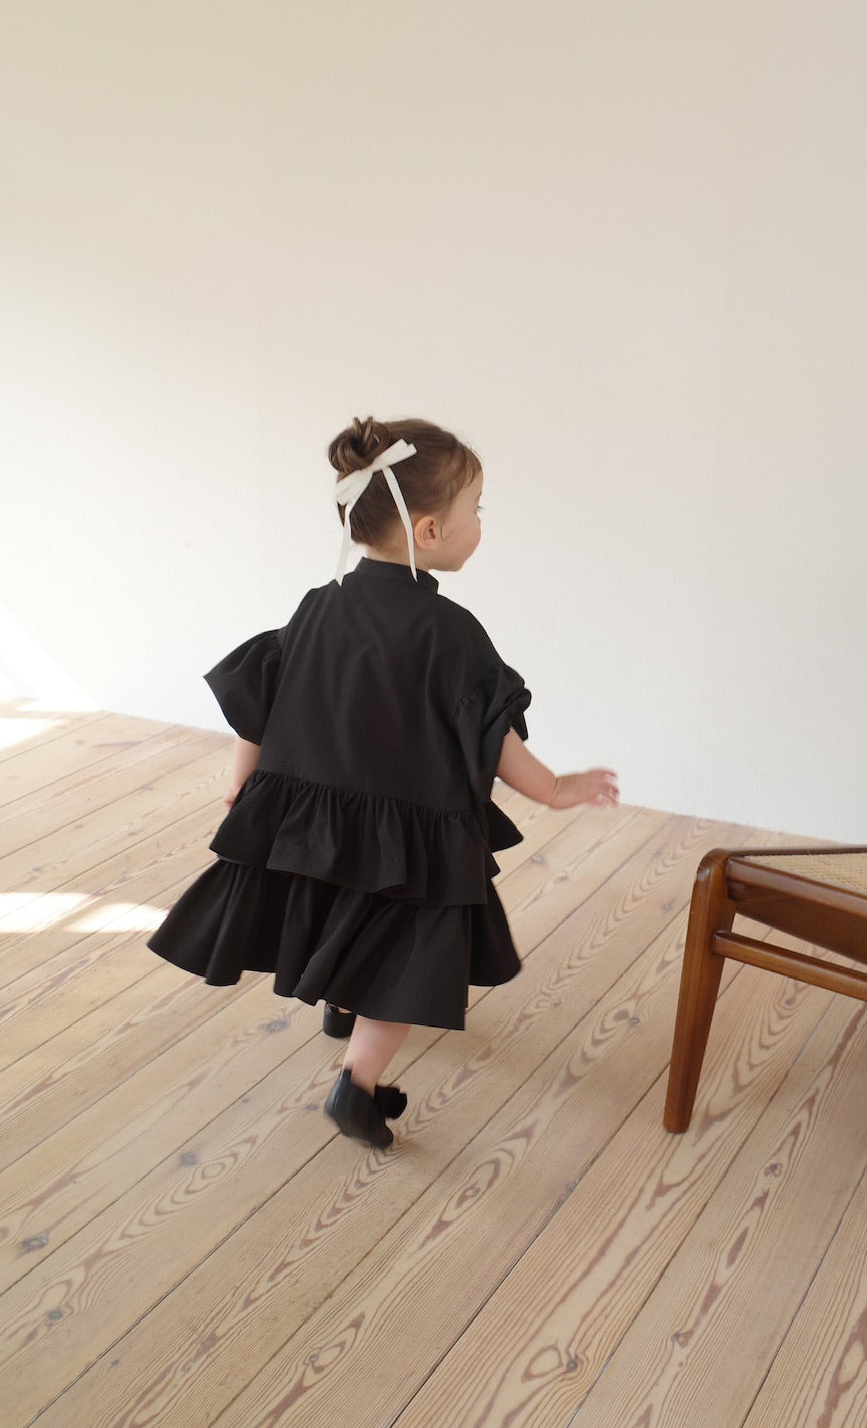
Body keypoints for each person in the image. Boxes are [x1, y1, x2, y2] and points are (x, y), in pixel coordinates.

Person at [148, 418, 618, 1149]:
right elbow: (492, 737)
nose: (481, 523)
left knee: (336, 900)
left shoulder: (320, 603)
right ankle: (356, 1085)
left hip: (317, 821)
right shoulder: (451, 632)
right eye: (476, 509)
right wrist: (556, 789)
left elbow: (263, 701)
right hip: (409, 837)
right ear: (429, 530)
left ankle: (340, 1000)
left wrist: (243, 785)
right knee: (405, 963)